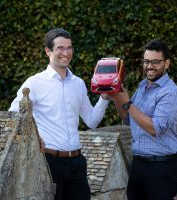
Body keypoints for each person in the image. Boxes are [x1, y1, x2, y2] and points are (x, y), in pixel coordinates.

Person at [9, 28, 109, 200]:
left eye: (69, 48)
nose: (66, 53)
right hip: (49, 162)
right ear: (48, 51)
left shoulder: (78, 83)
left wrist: (105, 98)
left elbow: (92, 121)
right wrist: (34, 138)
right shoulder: (35, 82)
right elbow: (13, 116)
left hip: (78, 162)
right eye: (60, 48)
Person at [111, 39, 177, 200]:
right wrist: (117, 97)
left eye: (155, 62)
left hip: (161, 169)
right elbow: (128, 119)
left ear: (167, 63)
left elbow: (154, 128)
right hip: (138, 166)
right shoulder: (142, 88)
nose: (149, 66)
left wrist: (128, 103)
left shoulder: (170, 93)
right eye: (146, 61)